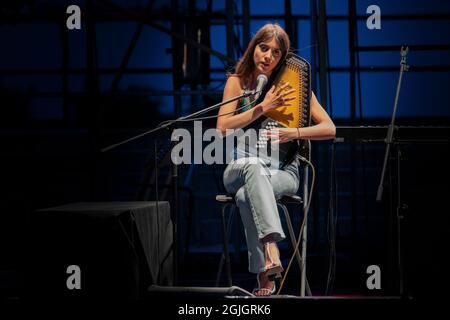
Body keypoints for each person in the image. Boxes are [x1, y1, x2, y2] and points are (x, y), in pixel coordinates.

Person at [216, 23, 336, 296]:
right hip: (240, 165)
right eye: (263, 48)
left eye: (276, 52)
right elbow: (222, 128)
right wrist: (261, 108)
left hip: (282, 172)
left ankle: (264, 275)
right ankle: (271, 244)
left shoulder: (292, 87)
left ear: (282, 58)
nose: (268, 56)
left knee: (248, 196)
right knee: (252, 169)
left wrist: (292, 133)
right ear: (253, 48)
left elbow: (330, 128)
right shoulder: (238, 82)